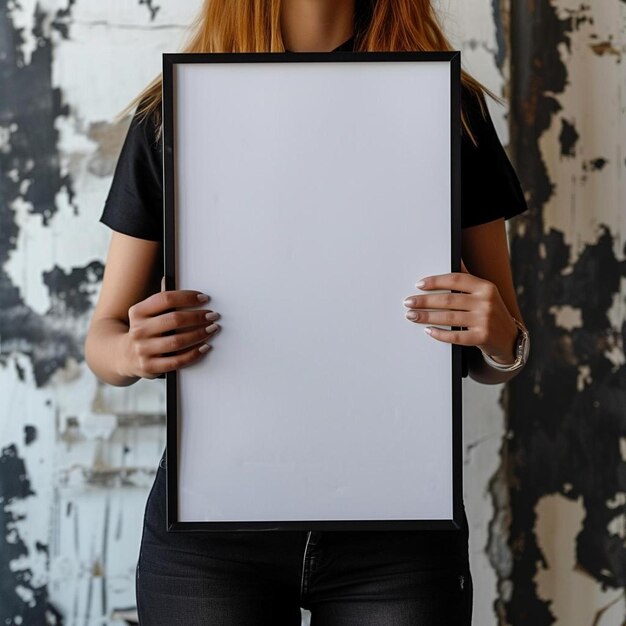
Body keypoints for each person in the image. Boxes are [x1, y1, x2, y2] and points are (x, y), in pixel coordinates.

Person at [84, 0, 529, 623]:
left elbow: (498, 353)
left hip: (399, 531)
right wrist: (132, 351)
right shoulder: (175, 110)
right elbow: (102, 341)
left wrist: (500, 335)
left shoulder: (448, 106)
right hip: (212, 532)